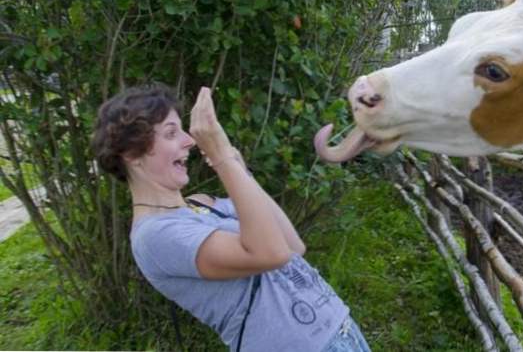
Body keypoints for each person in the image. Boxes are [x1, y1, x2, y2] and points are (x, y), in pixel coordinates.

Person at [91, 84, 370, 352]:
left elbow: (293, 246)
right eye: (171, 133)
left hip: (341, 331)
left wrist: (238, 168)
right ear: (131, 154)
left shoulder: (203, 205)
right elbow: (272, 253)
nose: (189, 140)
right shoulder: (154, 237)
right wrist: (221, 156)